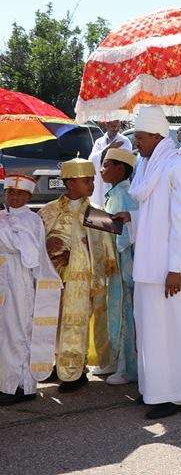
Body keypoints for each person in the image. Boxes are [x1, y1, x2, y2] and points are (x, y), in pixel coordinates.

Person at [114, 106, 181, 419]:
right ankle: (155, 389)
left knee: (171, 330)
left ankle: (177, 393)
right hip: (148, 265)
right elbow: (153, 215)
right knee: (151, 330)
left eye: (141, 138)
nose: (137, 145)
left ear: (157, 135)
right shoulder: (148, 166)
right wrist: (129, 218)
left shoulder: (177, 165)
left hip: (171, 269)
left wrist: (176, 268)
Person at [39, 158, 116, 392]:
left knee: (76, 323)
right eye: (86, 181)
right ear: (70, 183)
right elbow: (36, 243)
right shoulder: (48, 210)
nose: (92, 185)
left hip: (81, 280)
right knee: (54, 320)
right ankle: (55, 364)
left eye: (92, 180)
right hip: (52, 277)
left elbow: (108, 251)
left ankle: (74, 371)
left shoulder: (97, 213)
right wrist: (53, 249)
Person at [0, 176, 62, 406]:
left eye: (19, 194)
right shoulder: (4, 217)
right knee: (6, 332)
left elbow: (26, 252)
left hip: (20, 281)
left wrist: (6, 229)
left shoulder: (31, 220)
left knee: (16, 333)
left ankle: (16, 386)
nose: (14, 197)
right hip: (5, 279)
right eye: (10, 193)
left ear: (28, 196)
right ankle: (17, 384)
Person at [100, 148, 139, 386]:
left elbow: (124, 235)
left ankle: (128, 368)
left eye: (106, 165)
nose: (102, 169)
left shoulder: (124, 194)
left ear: (120, 169)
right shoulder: (115, 192)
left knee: (125, 314)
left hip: (123, 265)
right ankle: (117, 361)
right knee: (116, 311)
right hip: (116, 263)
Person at [90, 120, 132, 209]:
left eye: (118, 126)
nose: (116, 128)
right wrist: (107, 149)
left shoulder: (125, 141)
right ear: (107, 124)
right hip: (101, 182)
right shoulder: (99, 141)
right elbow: (92, 160)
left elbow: (126, 163)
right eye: (113, 126)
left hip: (116, 183)